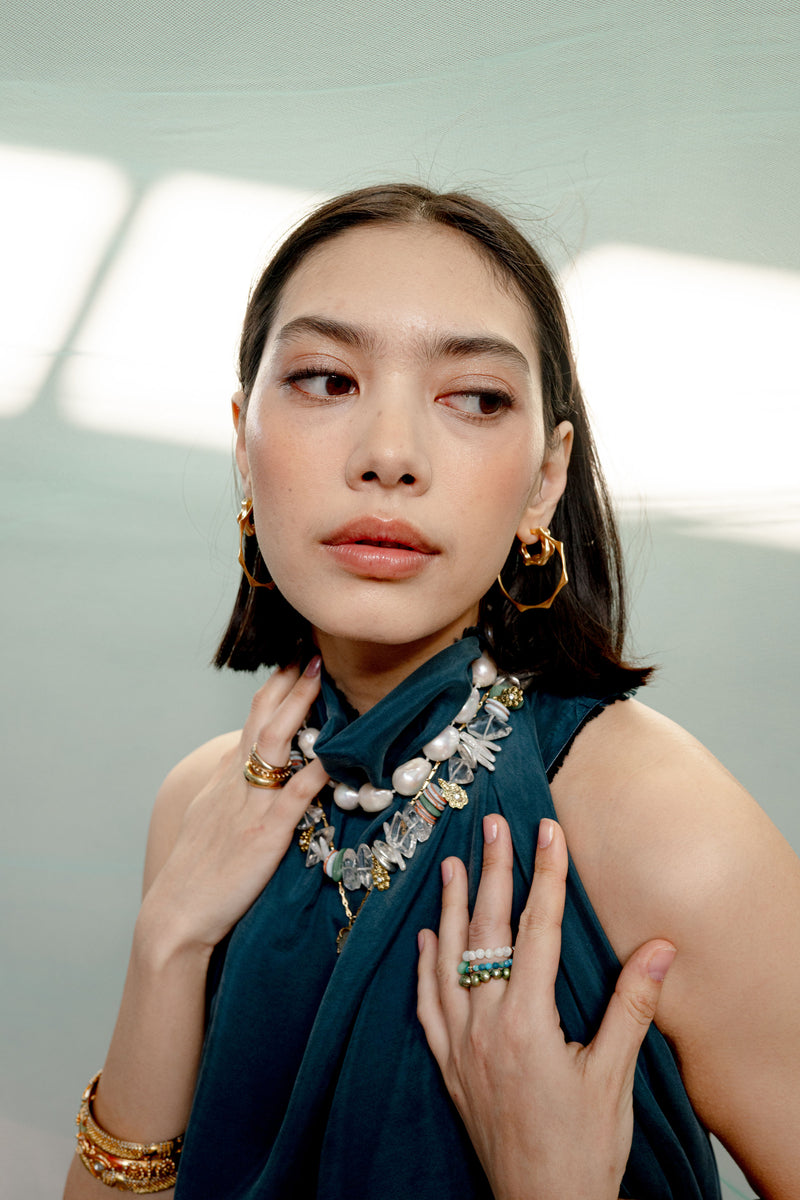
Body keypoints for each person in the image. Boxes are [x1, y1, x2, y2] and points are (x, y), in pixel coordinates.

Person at [64, 184, 800, 1200]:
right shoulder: (202, 802)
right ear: (242, 437)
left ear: (545, 478)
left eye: (475, 398)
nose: (389, 457)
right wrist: (168, 943)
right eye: (326, 380)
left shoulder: (660, 823)